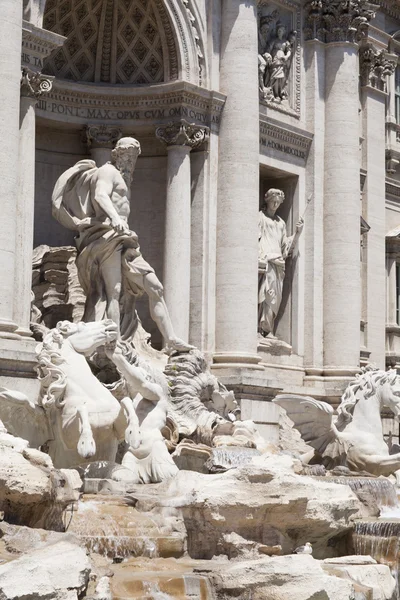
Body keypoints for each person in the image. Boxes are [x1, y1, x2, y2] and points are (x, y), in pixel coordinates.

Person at [52, 137, 193, 352]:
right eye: (127, 156)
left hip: (125, 238)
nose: (131, 161)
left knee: (155, 286)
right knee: (113, 292)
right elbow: (100, 195)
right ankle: (113, 344)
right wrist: (114, 217)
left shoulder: (125, 177)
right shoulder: (107, 172)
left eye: (134, 157)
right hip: (107, 235)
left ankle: (171, 339)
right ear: (116, 155)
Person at [258, 189, 303, 336]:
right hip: (267, 260)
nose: (275, 204)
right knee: (266, 294)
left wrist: (297, 233)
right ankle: (261, 328)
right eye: (273, 201)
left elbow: (286, 247)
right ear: (268, 200)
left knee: (275, 298)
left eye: (278, 202)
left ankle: (267, 328)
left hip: (279, 263)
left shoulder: (281, 223)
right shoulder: (260, 217)